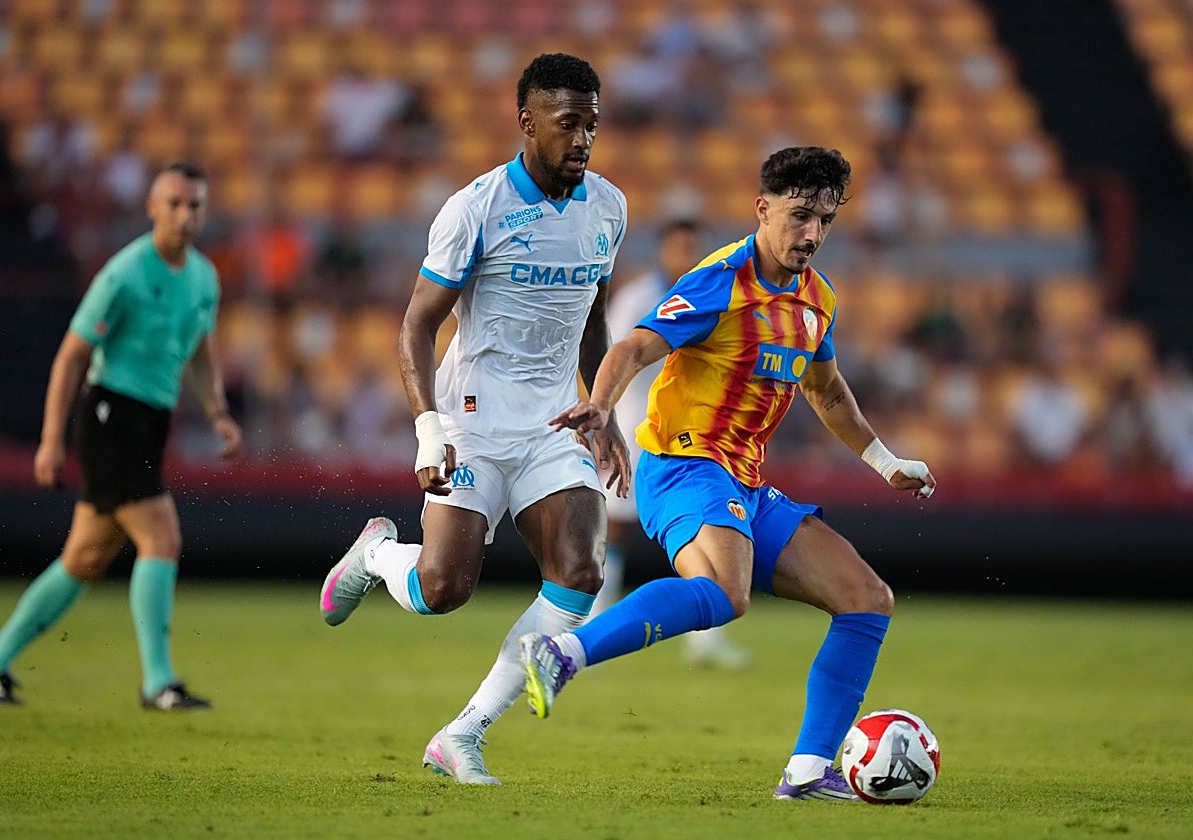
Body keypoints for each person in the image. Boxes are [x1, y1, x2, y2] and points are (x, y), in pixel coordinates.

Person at [520, 146, 937, 801]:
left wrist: (886, 462)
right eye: (799, 216)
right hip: (683, 465)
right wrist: (600, 408)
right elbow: (632, 346)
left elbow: (826, 391)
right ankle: (562, 653)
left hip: (742, 482)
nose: (812, 234)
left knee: (866, 598)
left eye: (825, 220)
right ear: (762, 209)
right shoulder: (720, 280)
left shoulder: (817, 299)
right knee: (724, 591)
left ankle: (807, 771)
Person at [318, 53, 630, 785]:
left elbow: (592, 318)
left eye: (591, 125)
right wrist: (428, 430)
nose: (583, 139)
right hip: (473, 421)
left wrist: (603, 409)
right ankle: (377, 556)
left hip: (554, 423)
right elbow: (415, 327)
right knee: (443, 590)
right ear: (527, 122)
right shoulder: (475, 209)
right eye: (568, 124)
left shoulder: (609, 208)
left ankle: (462, 735)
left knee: (581, 572)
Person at [0, 160, 242, 709]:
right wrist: (51, 440)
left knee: (83, 559)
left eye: (195, 205)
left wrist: (218, 412)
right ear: (151, 208)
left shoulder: (204, 276)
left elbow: (201, 350)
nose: (185, 215)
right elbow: (71, 357)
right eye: (174, 204)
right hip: (110, 416)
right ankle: (158, 683)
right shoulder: (124, 274)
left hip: (150, 422)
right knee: (161, 538)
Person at [595, 217, 750, 670]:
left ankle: (707, 638)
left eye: (694, 247)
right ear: (662, 251)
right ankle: (597, 617)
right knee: (614, 524)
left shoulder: (718, 295)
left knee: (709, 527)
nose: (687, 256)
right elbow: (615, 355)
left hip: (696, 430)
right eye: (680, 247)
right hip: (637, 422)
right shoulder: (638, 298)